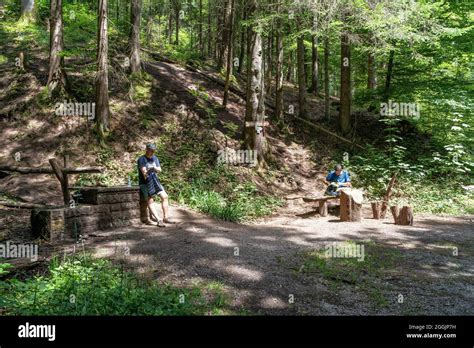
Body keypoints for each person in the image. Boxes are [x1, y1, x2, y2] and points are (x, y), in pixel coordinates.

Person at [137, 143, 176, 227]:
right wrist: (148, 171)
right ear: (147, 149)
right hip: (145, 182)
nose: (152, 152)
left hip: (155, 180)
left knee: (164, 196)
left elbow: (159, 169)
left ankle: (166, 218)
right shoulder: (142, 159)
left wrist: (153, 168)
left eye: (153, 150)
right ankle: (158, 220)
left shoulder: (155, 158)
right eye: (151, 150)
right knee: (150, 200)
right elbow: (144, 172)